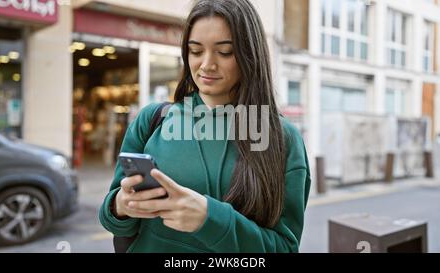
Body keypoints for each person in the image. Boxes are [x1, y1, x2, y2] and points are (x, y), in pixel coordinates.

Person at [99, 0, 311, 253]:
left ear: (249, 55)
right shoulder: (153, 119)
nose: (207, 64)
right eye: (196, 51)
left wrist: (210, 220)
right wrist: (121, 206)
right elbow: (113, 218)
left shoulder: (281, 138)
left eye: (224, 52)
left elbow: (285, 248)